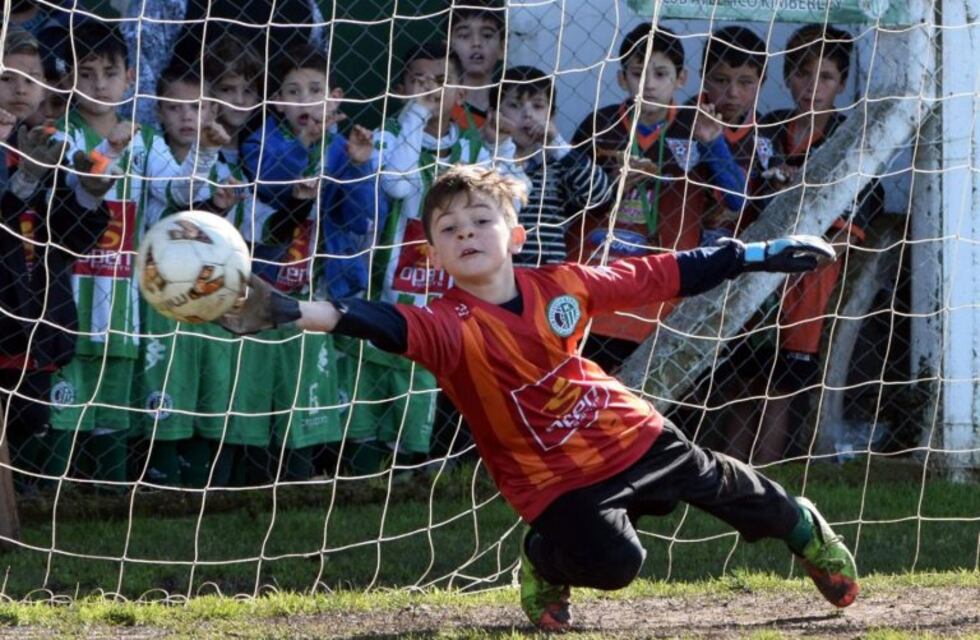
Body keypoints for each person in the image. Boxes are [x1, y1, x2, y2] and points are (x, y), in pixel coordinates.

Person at [216, 164, 859, 632]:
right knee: (615, 566)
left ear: (514, 235)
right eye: (448, 227)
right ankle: (542, 561)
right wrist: (292, 309)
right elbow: (381, 321)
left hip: (623, 430)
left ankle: (806, 530)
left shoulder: (563, 283)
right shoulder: (446, 326)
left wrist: (754, 253)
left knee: (730, 489)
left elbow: (659, 274)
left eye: (480, 220)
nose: (466, 232)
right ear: (434, 254)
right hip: (548, 476)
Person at [350, 40, 525, 473]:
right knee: (381, 370)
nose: (430, 89)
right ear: (402, 88)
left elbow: (512, 200)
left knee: (445, 373)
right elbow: (398, 186)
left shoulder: (473, 149)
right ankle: (369, 465)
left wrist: (502, 149)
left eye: (441, 82)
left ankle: (426, 463)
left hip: (454, 292)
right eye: (420, 81)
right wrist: (414, 115)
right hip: (393, 285)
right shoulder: (390, 135)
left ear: (461, 94)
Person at [713, 25, 885, 463]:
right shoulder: (766, 131)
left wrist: (831, 246)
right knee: (740, 380)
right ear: (787, 77)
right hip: (758, 263)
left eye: (825, 77)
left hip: (808, 275)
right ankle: (730, 472)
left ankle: (765, 476)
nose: (812, 87)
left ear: (842, 84)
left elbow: (859, 215)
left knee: (779, 385)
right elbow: (744, 196)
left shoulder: (852, 139)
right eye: (803, 74)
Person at [233, 43, 377, 482]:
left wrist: (356, 168)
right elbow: (273, 183)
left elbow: (360, 217)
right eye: (292, 92)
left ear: (335, 98)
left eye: (315, 90)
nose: (304, 101)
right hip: (267, 288)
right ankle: (251, 473)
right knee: (258, 383)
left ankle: (304, 473)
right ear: (277, 102)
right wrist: (305, 145)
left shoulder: (345, 148)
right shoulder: (263, 141)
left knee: (310, 385)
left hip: (317, 293)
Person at [571, 24, 745, 373]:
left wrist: (714, 144)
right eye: (638, 73)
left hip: (662, 288)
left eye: (660, 73)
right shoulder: (600, 123)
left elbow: (738, 200)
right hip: (595, 277)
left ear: (681, 78)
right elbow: (571, 196)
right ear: (622, 78)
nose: (648, 83)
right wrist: (608, 183)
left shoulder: (695, 127)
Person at [0, 27, 115, 491]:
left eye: (31, 77)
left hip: (38, 314)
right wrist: (22, 183)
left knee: (29, 416)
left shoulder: (53, 145)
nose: (20, 87)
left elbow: (67, 239)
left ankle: (23, 495)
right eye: (8, 77)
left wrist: (88, 197)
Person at [46, 21, 160, 486]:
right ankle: (49, 491)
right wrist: (108, 152)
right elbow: (71, 187)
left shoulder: (147, 141)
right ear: (69, 78)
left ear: (130, 78)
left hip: (122, 298)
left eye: (109, 73)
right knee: (64, 396)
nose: (98, 84)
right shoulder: (59, 135)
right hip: (69, 292)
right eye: (86, 72)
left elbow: (176, 192)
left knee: (112, 398)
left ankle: (110, 492)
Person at [137, 64, 240, 487]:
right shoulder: (149, 151)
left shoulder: (225, 171)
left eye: (196, 107)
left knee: (206, 378)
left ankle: (201, 474)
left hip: (208, 295)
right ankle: (159, 469)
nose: (186, 117)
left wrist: (224, 207)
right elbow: (179, 192)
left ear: (213, 110)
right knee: (162, 379)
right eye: (175, 107)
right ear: (159, 112)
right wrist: (206, 153)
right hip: (156, 293)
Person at [122, 0, 326, 125]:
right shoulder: (169, 4)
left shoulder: (304, 9)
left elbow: (320, 82)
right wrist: (150, 155)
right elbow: (139, 85)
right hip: (178, 157)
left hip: (271, 161)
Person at [498, 65, 614, 266]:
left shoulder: (559, 165)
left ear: (551, 117)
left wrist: (558, 145)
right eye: (515, 106)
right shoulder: (483, 162)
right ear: (495, 113)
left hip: (545, 278)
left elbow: (601, 196)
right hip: (496, 278)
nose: (527, 115)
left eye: (538, 106)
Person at [695, 26, 778, 244]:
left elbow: (745, 202)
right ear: (703, 76)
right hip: (683, 251)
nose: (732, 92)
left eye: (745, 82)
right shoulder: (678, 124)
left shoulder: (767, 133)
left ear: (762, 82)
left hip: (746, 252)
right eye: (721, 80)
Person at [448, 0, 506, 131]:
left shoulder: (511, 109)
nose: (476, 43)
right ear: (449, 47)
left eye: (486, 35)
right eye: (464, 35)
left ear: (502, 48)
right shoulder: (441, 108)